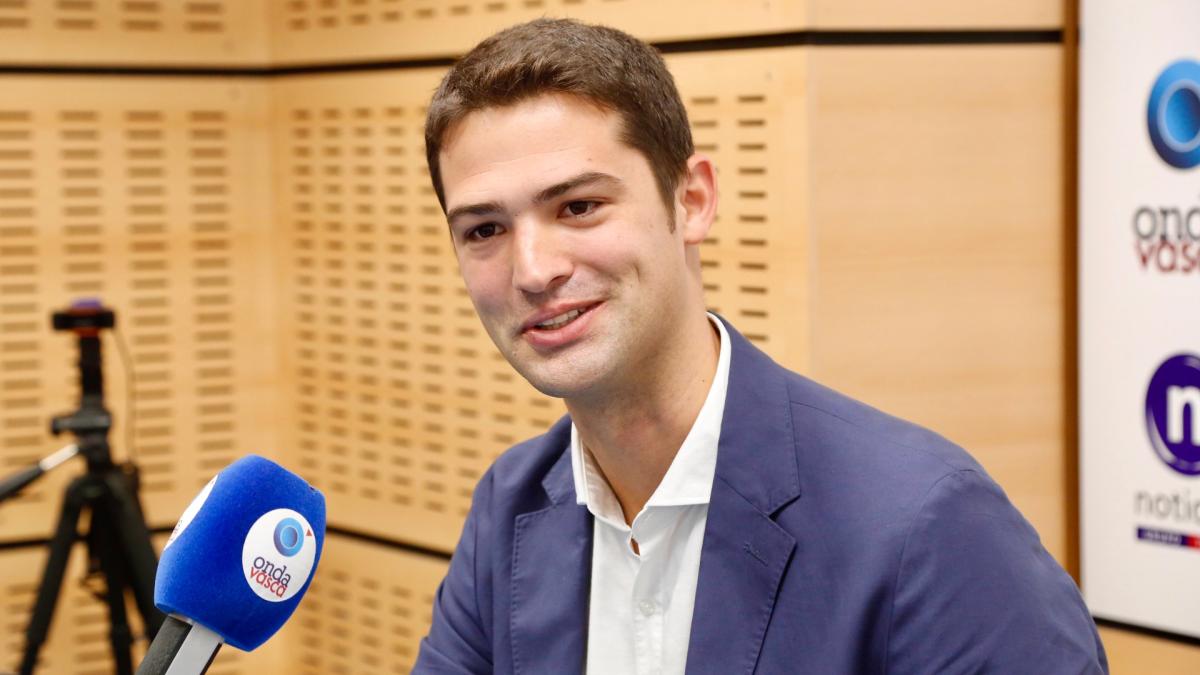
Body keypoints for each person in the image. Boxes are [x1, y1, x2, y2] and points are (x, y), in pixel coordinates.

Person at [413, 18, 1108, 675]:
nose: (533, 269)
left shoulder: (921, 521)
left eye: (579, 207)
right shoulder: (511, 506)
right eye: (484, 230)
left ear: (691, 201)